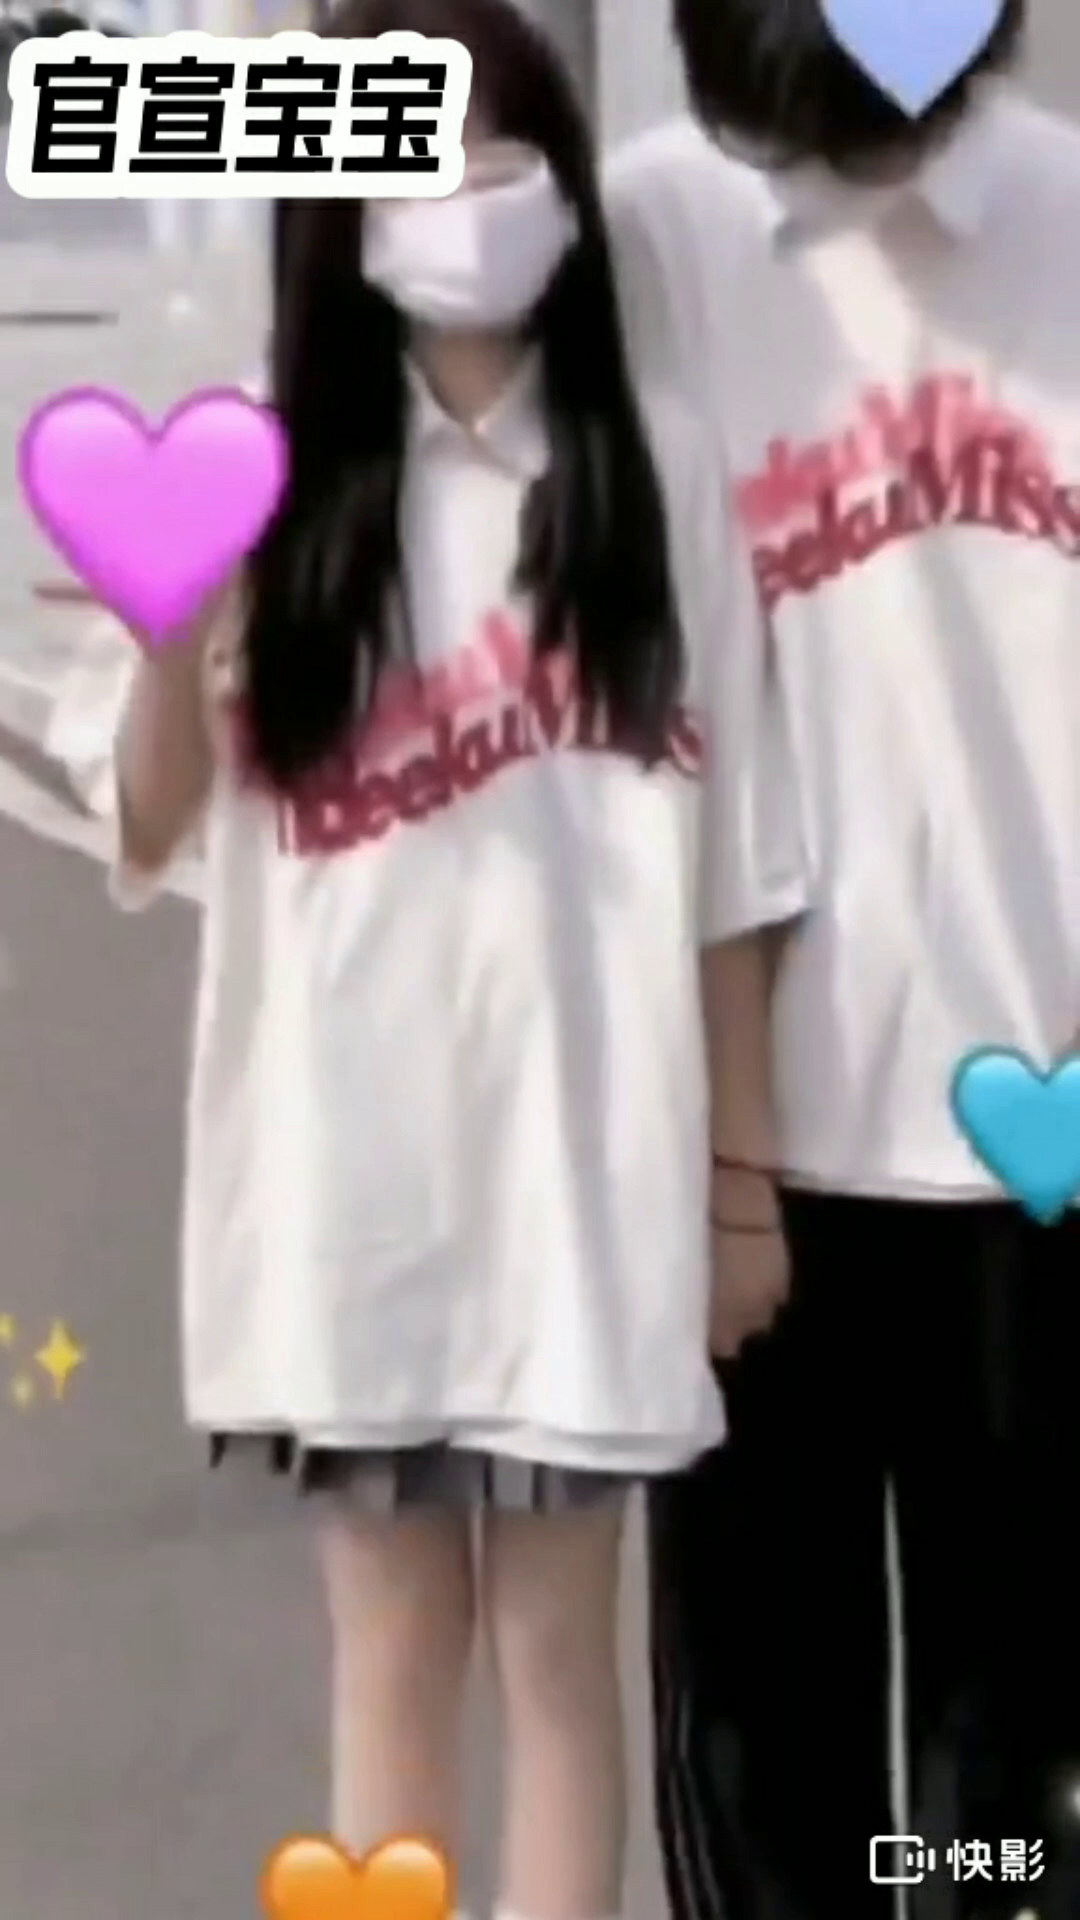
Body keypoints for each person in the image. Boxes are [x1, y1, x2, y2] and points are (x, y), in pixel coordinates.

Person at [50, 1, 810, 1916]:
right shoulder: (261, 471)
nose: (468, 191)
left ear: (569, 187)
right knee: (389, 1661)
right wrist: (168, 630)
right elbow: (149, 819)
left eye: (506, 147)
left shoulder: (655, 475)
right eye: (422, 151)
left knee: (558, 1672)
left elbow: (737, 873)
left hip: (581, 1198)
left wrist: (740, 1195)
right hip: (352, 1204)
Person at [602, 3, 1080, 1918]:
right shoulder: (655, 232)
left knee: (1008, 1754)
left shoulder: (1067, 219)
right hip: (746, 1132)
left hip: (1042, 1142)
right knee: (762, 1733)